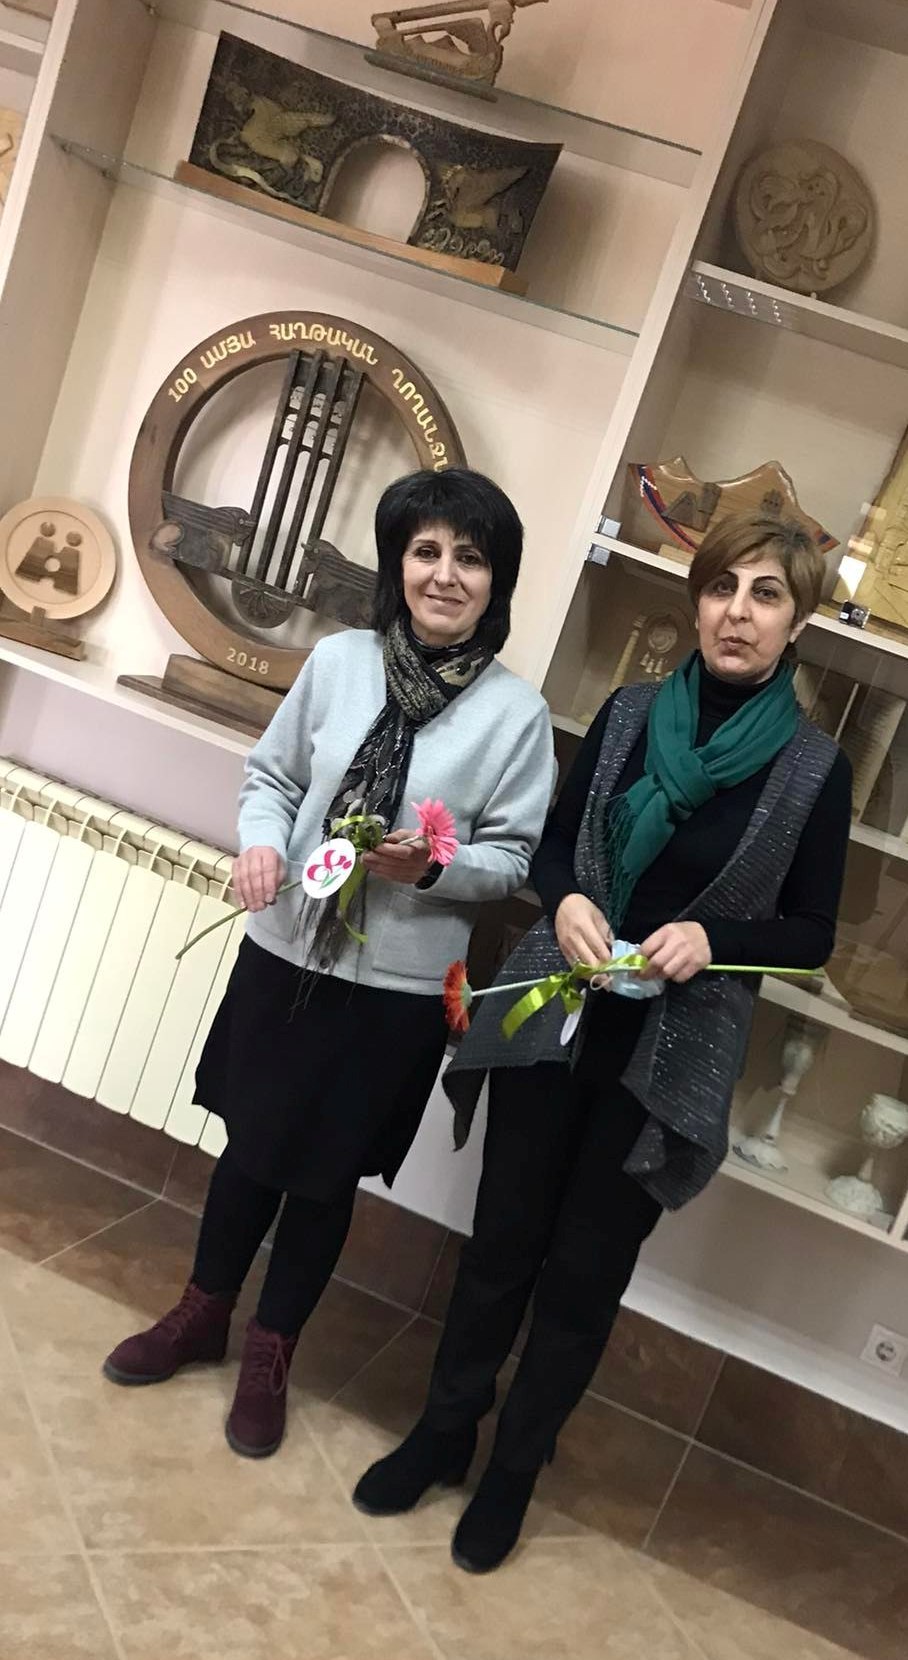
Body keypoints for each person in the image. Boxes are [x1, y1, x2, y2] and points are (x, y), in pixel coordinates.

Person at [354, 515, 852, 1571]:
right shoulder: (629, 714)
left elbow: (812, 932)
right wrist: (570, 898)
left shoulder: (814, 768)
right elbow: (551, 848)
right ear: (696, 600)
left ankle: (511, 1471)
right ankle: (443, 1433)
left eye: (766, 594)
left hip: (665, 1056)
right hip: (555, 1016)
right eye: (722, 587)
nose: (737, 612)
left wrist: (715, 939)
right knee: (500, 1244)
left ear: (797, 621)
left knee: (583, 1274)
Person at [103, 467, 555, 1459]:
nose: (444, 575)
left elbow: (512, 860)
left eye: (470, 558)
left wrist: (431, 865)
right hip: (288, 953)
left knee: (323, 1177)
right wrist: (262, 844)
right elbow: (272, 777)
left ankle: (271, 1351)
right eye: (426, 551)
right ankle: (202, 1312)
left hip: (395, 991)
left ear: (497, 581)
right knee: (251, 1144)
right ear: (398, 564)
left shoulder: (516, 716)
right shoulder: (340, 661)